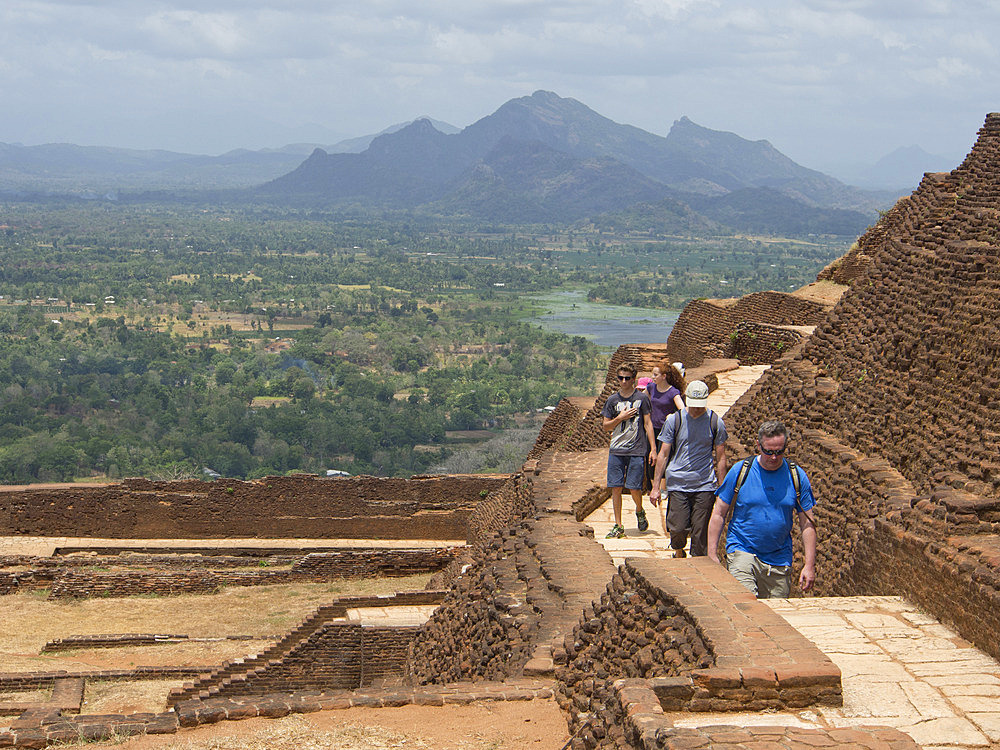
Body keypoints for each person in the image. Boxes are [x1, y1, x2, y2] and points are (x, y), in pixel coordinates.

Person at [706, 420, 817, 598]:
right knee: (746, 605)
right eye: (769, 452)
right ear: (758, 446)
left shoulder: (796, 476)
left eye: (779, 452)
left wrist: (809, 565)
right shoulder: (740, 471)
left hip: (779, 559)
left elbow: (807, 525)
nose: (774, 457)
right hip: (742, 550)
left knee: (774, 616)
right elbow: (719, 513)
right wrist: (711, 554)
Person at [649, 380, 728, 557]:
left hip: (704, 484)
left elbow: (721, 457)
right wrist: (655, 487)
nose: (696, 409)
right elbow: (663, 454)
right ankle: (678, 551)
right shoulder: (675, 420)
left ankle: (697, 565)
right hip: (678, 482)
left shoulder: (715, 422)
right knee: (677, 527)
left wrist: (723, 488)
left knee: (700, 532)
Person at [602, 363, 657, 538]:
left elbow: (648, 424)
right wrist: (620, 417)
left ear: (633, 379)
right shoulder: (612, 400)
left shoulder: (642, 399)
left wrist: (653, 449)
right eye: (620, 378)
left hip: (636, 449)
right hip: (616, 449)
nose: (623, 381)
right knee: (616, 487)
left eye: (627, 378)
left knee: (634, 488)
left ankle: (639, 510)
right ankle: (618, 525)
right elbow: (606, 426)